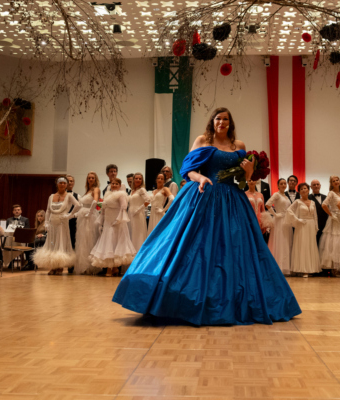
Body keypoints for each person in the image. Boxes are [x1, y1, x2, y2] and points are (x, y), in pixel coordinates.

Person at [113, 107, 300, 325]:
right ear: (212, 121)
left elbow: (244, 180)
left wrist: (249, 172)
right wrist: (199, 178)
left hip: (233, 201)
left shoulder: (238, 146)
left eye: (226, 119)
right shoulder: (202, 140)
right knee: (193, 246)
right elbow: (187, 170)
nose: (222, 122)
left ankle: (233, 298)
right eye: (218, 119)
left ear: (230, 123)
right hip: (204, 195)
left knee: (236, 249)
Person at [33, 176, 80, 275]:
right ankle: (53, 266)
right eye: (60, 183)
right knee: (52, 244)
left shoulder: (69, 196)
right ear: (57, 184)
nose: (62, 184)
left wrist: (70, 215)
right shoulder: (51, 196)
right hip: (52, 222)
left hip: (62, 223)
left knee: (61, 244)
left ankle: (60, 266)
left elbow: (78, 205)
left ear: (66, 184)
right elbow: (48, 210)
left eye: (64, 183)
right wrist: (46, 222)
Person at [90, 178, 136, 277]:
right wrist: (101, 221)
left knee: (114, 243)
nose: (114, 185)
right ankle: (113, 268)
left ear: (120, 185)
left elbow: (123, 207)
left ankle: (111, 269)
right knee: (108, 243)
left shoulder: (121, 195)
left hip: (117, 222)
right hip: (108, 222)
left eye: (116, 183)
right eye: (112, 183)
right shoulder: (107, 194)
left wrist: (119, 219)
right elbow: (104, 208)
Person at [287, 182, 320, 278]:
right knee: (302, 246)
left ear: (308, 190)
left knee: (310, 246)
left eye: (305, 188)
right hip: (301, 226)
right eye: (301, 189)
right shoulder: (297, 201)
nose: (304, 190)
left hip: (311, 225)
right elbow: (289, 211)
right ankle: (303, 269)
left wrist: (316, 227)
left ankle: (311, 269)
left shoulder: (313, 202)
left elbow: (315, 216)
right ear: (299, 192)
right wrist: (297, 220)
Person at [319, 176, 340, 276]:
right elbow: (324, 204)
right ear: (331, 183)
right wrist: (331, 214)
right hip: (334, 219)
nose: (335, 182)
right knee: (335, 242)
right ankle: (334, 268)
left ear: (339, 182)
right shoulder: (331, 193)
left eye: (337, 180)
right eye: (333, 181)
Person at [74, 172, 101, 275]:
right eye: (89, 178)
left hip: (89, 216)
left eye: (92, 178)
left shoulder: (95, 189)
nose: (91, 179)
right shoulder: (87, 191)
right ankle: (83, 266)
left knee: (89, 238)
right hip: (82, 216)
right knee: (82, 240)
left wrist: (89, 212)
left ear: (95, 179)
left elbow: (95, 201)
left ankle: (90, 266)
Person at [266, 178, 293, 275]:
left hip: (287, 221)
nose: (283, 185)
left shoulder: (285, 196)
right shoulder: (276, 194)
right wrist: (275, 214)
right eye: (281, 183)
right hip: (279, 220)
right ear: (278, 185)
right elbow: (268, 204)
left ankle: (285, 266)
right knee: (280, 241)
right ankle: (278, 266)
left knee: (286, 241)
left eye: (284, 183)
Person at [128, 172, 151, 251]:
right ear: (133, 180)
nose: (138, 180)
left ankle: (137, 252)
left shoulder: (142, 190)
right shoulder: (132, 190)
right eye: (136, 178)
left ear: (142, 180)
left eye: (140, 179)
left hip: (138, 214)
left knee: (137, 234)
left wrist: (138, 210)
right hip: (130, 213)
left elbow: (148, 200)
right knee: (131, 232)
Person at [65, 174, 79, 273]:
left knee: (72, 242)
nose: (70, 183)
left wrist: (72, 215)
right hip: (62, 222)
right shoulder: (59, 195)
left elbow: (80, 209)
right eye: (68, 181)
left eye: (71, 181)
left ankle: (71, 265)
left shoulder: (77, 195)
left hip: (73, 222)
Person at [308, 179, 327, 246]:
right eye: (314, 185)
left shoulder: (326, 197)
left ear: (320, 186)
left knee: (324, 243)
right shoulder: (308, 198)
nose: (316, 186)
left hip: (325, 225)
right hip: (313, 225)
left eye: (317, 184)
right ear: (311, 187)